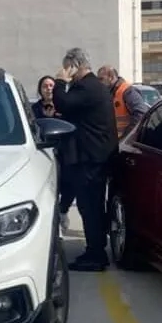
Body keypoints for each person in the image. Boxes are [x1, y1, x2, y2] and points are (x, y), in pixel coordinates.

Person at [53, 48, 118, 271]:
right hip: (94, 156)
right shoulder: (92, 87)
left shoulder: (87, 87)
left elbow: (64, 103)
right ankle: (95, 250)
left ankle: (96, 254)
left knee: (90, 206)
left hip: (91, 158)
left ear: (75, 65)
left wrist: (60, 81)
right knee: (90, 206)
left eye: (67, 67)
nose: (65, 71)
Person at [32, 75, 75, 232]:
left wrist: (55, 116)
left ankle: (63, 210)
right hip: (43, 152)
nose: (48, 89)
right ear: (40, 90)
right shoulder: (35, 109)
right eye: (45, 86)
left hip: (64, 151)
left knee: (69, 184)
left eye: (51, 86)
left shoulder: (63, 106)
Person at [97, 66, 149, 138]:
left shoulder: (127, 91)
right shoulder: (109, 93)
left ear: (111, 77)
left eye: (101, 79)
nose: (99, 82)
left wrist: (126, 137)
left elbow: (141, 114)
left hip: (127, 140)